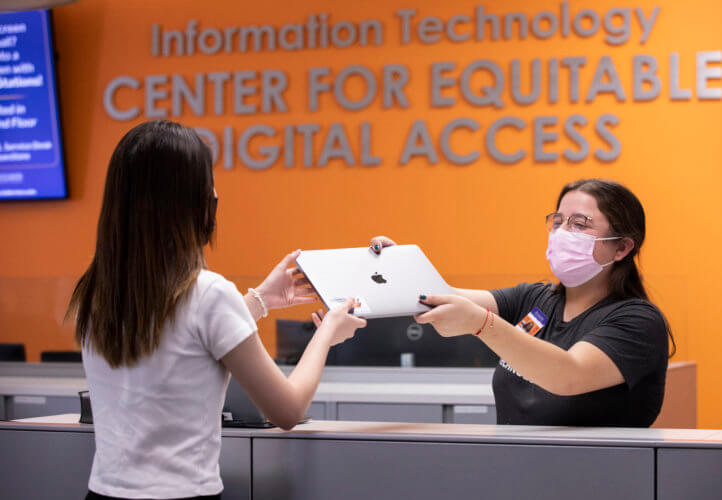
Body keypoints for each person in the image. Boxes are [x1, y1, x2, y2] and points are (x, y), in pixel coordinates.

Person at [67, 120, 365, 500]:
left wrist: (260, 300)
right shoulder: (209, 295)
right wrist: (326, 333)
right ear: (200, 203)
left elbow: (176, 340)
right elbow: (287, 411)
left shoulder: (95, 291)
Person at [370, 179, 674, 427]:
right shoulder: (536, 299)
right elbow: (441, 296)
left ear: (621, 247)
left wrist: (482, 324)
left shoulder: (638, 321)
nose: (563, 233)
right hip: (516, 473)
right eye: (558, 222)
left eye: (580, 224)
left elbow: (568, 375)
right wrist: (400, 269)